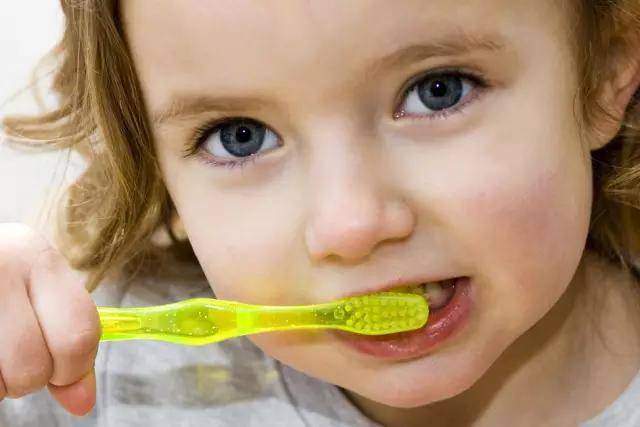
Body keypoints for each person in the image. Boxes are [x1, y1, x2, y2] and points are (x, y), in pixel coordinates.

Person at [1, 1, 640, 426]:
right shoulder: (97, 377)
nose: (350, 226)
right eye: (240, 137)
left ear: (606, 70)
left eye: (437, 90)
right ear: (160, 175)